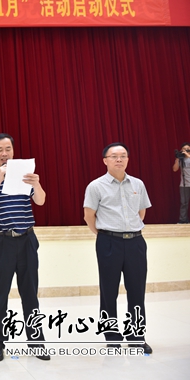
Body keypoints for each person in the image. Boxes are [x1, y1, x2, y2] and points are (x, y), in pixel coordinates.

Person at [0, 133, 50, 362]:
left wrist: (36, 184)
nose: (4, 153)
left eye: (8, 149)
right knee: (0, 293)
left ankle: (36, 340)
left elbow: (41, 201)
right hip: (0, 241)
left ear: (13, 151)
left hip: (26, 239)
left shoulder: (24, 175)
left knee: (30, 292)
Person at [83, 142, 153, 354]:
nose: (119, 159)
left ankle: (136, 336)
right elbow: (89, 216)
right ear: (105, 160)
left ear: (128, 159)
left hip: (136, 243)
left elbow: (141, 213)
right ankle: (112, 336)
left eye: (123, 155)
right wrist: (105, 235)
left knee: (137, 290)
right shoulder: (95, 186)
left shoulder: (138, 184)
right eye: (114, 156)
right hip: (108, 242)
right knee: (108, 290)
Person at [172, 143, 190, 224]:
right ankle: (183, 220)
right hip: (184, 185)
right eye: (184, 149)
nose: (185, 150)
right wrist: (177, 159)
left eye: (187, 149)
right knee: (184, 203)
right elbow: (175, 169)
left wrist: (188, 156)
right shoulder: (181, 159)